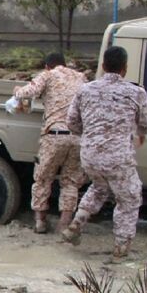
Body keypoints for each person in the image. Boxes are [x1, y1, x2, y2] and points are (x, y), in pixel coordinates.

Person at [61, 46, 147, 260]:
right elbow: (145, 124)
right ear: (125, 68)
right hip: (118, 156)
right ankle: (121, 250)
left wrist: (92, 134)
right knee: (129, 198)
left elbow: (71, 122)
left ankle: (75, 225)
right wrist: (139, 135)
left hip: (90, 154)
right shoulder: (136, 92)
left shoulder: (85, 90)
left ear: (102, 66)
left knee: (100, 187)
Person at [13, 52, 89, 234]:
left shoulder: (48, 75)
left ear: (48, 66)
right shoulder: (82, 77)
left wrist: (16, 90)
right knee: (71, 182)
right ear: (65, 64)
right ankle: (64, 223)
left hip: (54, 135)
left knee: (43, 178)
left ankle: (40, 221)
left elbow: (28, 93)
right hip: (78, 137)